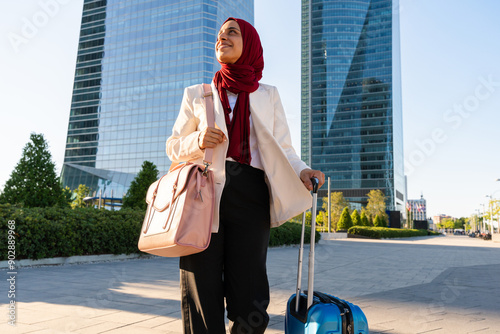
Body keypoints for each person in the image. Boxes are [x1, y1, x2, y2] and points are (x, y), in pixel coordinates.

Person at [166, 17, 325, 334]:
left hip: (252, 194)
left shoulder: (268, 95)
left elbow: (283, 149)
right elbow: (172, 147)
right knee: (201, 284)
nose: (222, 38)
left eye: (232, 33)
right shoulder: (198, 94)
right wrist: (197, 141)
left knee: (250, 292)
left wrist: (303, 171)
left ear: (249, 43)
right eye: (220, 35)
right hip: (203, 192)